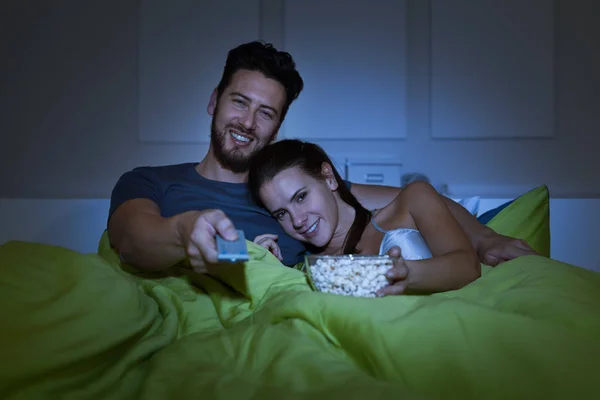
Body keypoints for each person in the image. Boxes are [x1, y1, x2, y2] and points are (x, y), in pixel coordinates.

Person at [107, 40, 538, 275]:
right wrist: (184, 233)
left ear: (277, 127)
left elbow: (413, 200)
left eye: (266, 113)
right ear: (214, 101)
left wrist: (484, 240)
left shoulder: (294, 194)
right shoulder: (151, 182)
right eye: (239, 102)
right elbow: (131, 239)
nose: (247, 122)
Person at [248, 139, 484, 296]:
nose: (297, 221)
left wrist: (405, 274)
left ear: (328, 177)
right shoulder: (308, 269)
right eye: (281, 214)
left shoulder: (412, 201)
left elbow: (468, 266)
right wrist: (266, 268)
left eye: (300, 197)